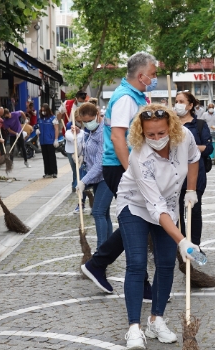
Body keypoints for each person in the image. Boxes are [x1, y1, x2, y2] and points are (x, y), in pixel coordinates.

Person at [117, 104, 201, 348]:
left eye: (161, 133)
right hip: (134, 206)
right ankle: (134, 328)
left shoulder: (184, 136)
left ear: (171, 128)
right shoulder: (139, 157)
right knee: (137, 264)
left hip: (170, 204)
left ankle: (157, 320)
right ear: (141, 133)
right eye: (149, 134)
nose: (155, 138)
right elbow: (155, 207)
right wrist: (182, 240)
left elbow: (194, 158)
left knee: (165, 264)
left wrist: (192, 189)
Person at [81, 51, 155, 297]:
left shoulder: (135, 96)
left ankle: (102, 266)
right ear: (141, 75)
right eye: (153, 74)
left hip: (124, 166)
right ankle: (100, 265)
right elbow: (117, 137)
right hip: (120, 167)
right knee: (137, 221)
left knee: (137, 221)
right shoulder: (125, 98)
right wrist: (132, 171)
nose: (155, 78)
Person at [174, 91, 212, 248]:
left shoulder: (200, 125)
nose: (178, 104)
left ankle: (195, 246)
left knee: (194, 213)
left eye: (181, 101)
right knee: (176, 214)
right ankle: (180, 244)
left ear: (190, 106)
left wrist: (189, 147)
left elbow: (209, 148)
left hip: (195, 176)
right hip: (175, 177)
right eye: (176, 101)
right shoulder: (171, 125)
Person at [76, 103, 112, 248]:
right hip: (97, 179)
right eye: (84, 122)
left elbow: (100, 163)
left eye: (89, 121)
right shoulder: (91, 132)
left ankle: (101, 250)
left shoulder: (104, 132)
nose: (87, 124)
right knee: (104, 213)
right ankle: (108, 249)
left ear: (97, 115)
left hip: (106, 177)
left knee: (97, 212)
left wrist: (84, 181)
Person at [65, 118, 88, 213]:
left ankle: (94, 203)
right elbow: (72, 139)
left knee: (90, 183)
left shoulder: (88, 128)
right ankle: (81, 203)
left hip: (92, 160)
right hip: (80, 158)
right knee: (81, 180)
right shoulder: (71, 128)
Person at [37, 103, 59, 178]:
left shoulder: (53, 118)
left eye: (44, 110)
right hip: (43, 141)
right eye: (42, 110)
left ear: (47, 110)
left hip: (50, 140)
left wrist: (56, 139)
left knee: (51, 157)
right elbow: (39, 128)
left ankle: (54, 172)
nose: (43, 112)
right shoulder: (40, 119)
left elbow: (56, 129)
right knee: (45, 157)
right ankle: (47, 172)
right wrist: (38, 136)